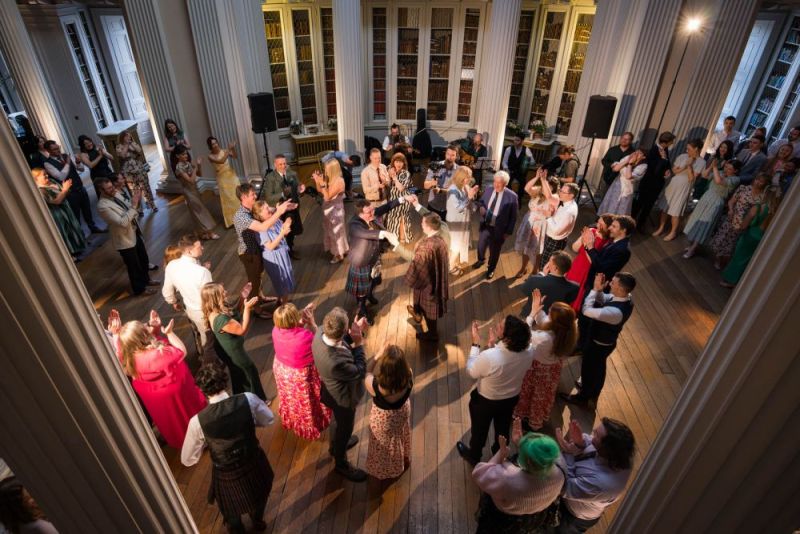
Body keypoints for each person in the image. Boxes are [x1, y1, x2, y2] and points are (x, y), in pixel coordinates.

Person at [180, 362, 275, 534]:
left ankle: (236, 529)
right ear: (225, 382)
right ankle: (257, 520)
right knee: (260, 493)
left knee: (230, 507)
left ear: (202, 390)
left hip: (226, 471)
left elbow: (188, 459)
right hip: (253, 460)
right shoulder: (248, 398)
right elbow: (268, 419)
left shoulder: (197, 421)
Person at [114, 310, 207, 448]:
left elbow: (120, 355)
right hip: (178, 395)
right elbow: (182, 351)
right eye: (144, 327)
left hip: (155, 399)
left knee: (171, 420)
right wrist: (169, 333)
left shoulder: (129, 360)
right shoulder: (160, 353)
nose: (147, 325)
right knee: (185, 415)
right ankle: (201, 440)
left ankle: (179, 442)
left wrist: (116, 334)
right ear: (143, 336)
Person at [457, 316, 534, 466]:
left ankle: (474, 455)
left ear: (508, 338)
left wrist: (475, 344)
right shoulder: (529, 351)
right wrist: (493, 346)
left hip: (486, 401)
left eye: (500, 326)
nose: (497, 325)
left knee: (479, 429)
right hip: (511, 398)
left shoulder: (490, 357)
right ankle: (500, 452)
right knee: (503, 426)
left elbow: (472, 372)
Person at [472, 420, 565, 533]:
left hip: (503, 519)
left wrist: (500, 453)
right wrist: (521, 444)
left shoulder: (508, 478)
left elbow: (479, 473)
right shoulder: (560, 474)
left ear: (525, 461)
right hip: (531, 518)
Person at [312, 307, 369, 482]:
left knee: (337, 422)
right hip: (342, 398)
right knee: (345, 427)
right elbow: (360, 371)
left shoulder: (320, 332)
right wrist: (358, 342)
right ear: (343, 331)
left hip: (329, 392)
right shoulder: (335, 362)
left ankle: (335, 446)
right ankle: (341, 462)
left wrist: (352, 335)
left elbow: (340, 341)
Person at [562, 272, 636, 407]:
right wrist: (599, 291)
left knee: (588, 368)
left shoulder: (616, 313)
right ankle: (592, 389)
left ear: (621, 289)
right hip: (605, 342)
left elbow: (586, 310)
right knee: (598, 368)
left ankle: (583, 397)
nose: (610, 283)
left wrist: (595, 289)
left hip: (598, 344)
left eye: (613, 282)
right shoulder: (626, 298)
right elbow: (603, 299)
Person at [554, 418, 635, 533]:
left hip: (574, 515)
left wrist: (568, 452)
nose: (592, 436)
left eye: (596, 435)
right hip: (577, 497)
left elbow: (564, 486)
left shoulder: (602, 484)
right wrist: (580, 443)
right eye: (595, 431)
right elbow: (590, 443)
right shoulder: (620, 454)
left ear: (608, 449)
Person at [233, 183, 296, 318]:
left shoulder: (251, 208)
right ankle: (256, 309)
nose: (255, 196)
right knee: (254, 281)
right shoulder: (241, 216)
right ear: (243, 197)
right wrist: (278, 212)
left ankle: (260, 297)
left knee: (259, 278)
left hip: (259, 250)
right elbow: (262, 227)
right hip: (249, 253)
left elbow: (265, 210)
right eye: (252, 194)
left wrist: (280, 208)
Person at [516, 296, 578, 431]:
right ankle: (536, 420)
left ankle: (528, 422)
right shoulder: (568, 331)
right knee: (542, 396)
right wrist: (538, 308)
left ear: (554, 321)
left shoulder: (544, 339)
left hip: (537, 370)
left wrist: (532, 313)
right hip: (552, 370)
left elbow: (525, 333)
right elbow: (545, 320)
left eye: (549, 313)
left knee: (531, 394)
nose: (547, 313)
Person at [271, 303, 332, 440]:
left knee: (290, 396)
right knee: (308, 399)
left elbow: (290, 329)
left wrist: (301, 320)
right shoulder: (305, 337)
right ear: (294, 319)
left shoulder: (276, 330)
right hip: (301, 375)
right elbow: (321, 344)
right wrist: (312, 323)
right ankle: (312, 424)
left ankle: (293, 419)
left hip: (282, 369)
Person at [201, 282, 268, 401]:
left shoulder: (216, 309)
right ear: (215, 297)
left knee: (239, 374)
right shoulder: (220, 319)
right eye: (222, 292)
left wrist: (242, 297)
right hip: (234, 352)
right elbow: (241, 330)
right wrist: (247, 308)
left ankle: (242, 398)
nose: (226, 292)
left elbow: (234, 312)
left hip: (227, 349)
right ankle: (258, 400)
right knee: (249, 371)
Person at [96, 176, 160, 296]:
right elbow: (122, 222)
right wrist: (134, 205)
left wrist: (136, 200)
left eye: (112, 186)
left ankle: (147, 280)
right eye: (108, 188)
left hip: (134, 231)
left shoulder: (115, 194)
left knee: (143, 258)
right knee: (133, 266)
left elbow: (129, 207)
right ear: (101, 190)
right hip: (124, 239)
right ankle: (139, 289)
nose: (113, 189)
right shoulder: (102, 206)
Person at [346, 198, 402, 323]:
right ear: (360, 214)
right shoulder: (354, 224)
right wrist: (385, 234)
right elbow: (365, 233)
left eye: (372, 209)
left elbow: (386, 207)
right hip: (362, 262)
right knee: (361, 291)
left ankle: (370, 295)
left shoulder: (371, 213)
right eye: (369, 212)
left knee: (375, 280)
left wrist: (402, 199)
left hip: (374, 258)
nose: (372, 213)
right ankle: (362, 309)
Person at [364, 344, 413, 479]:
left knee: (382, 446)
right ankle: (403, 458)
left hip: (383, 421)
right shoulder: (409, 375)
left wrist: (377, 357)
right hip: (401, 413)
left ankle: (383, 470)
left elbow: (366, 372)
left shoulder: (375, 386)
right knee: (399, 435)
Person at [162, 234, 213, 356]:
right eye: (199, 246)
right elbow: (211, 297)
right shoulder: (202, 272)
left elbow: (167, 292)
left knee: (203, 336)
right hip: (206, 311)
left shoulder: (171, 266)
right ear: (189, 251)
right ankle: (211, 363)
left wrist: (173, 301)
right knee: (211, 340)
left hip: (190, 309)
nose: (202, 248)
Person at [403, 212, 450, 340]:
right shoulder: (441, 238)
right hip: (436, 276)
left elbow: (417, 265)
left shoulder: (426, 247)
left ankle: (432, 335)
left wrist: (396, 246)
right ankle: (418, 315)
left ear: (429, 227)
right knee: (424, 302)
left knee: (428, 304)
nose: (421, 224)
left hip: (427, 282)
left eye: (423, 222)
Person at [721, 186, 780, 288]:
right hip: (762, 238)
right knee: (749, 261)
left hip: (750, 235)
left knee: (739, 258)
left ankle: (730, 280)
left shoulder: (758, 207)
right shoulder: (776, 211)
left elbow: (744, 224)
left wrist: (740, 230)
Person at [683, 159, 742, 259]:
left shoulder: (735, 179)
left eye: (730, 168)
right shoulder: (720, 172)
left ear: (735, 171)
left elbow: (719, 181)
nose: (726, 169)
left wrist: (715, 168)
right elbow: (705, 175)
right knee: (696, 220)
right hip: (706, 197)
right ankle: (691, 245)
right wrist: (711, 166)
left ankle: (693, 248)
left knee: (704, 224)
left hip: (716, 201)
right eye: (726, 166)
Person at [43, 140, 105, 234]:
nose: (58, 150)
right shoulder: (47, 163)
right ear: (48, 151)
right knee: (75, 215)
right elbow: (61, 176)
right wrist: (67, 163)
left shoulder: (65, 156)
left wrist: (78, 162)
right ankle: (80, 236)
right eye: (54, 149)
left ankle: (93, 228)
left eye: (58, 147)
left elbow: (81, 169)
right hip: (69, 193)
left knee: (87, 211)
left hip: (80, 187)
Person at [710, 173, 769, 270]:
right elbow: (731, 201)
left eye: (762, 181)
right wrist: (731, 209)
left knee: (733, 243)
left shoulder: (762, 197)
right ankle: (718, 260)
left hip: (745, 223)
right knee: (723, 238)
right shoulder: (744, 188)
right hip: (733, 217)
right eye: (757, 179)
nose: (758, 182)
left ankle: (726, 262)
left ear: (765, 184)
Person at [653, 138, 705, 241]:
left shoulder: (701, 162)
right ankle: (661, 227)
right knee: (665, 208)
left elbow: (691, 179)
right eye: (687, 148)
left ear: (696, 149)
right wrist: (685, 165)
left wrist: (690, 165)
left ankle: (673, 232)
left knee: (675, 211)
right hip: (674, 183)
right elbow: (675, 171)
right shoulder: (682, 156)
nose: (687, 151)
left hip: (684, 186)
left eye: (689, 149)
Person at [473, 171, 519, 280]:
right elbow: (481, 202)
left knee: (495, 251)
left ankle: (491, 268)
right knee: (481, 245)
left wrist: (508, 232)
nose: (496, 185)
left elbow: (514, 216)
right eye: (495, 182)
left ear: (506, 184)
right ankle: (481, 260)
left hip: (499, 229)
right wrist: (481, 207)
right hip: (485, 224)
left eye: (500, 183)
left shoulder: (512, 196)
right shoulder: (489, 189)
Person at [32, 167, 86, 260]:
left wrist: (66, 189)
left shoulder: (51, 182)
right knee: (64, 232)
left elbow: (65, 192)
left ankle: (77, 249)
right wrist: (64, 190)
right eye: (43, 175)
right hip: (57, 214)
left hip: (66, 209)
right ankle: (70, 256)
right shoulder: (41, 190)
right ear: (36, 178)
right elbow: (56, 201)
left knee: (72, 228)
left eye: (46, 173)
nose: (47, 176)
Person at [513, 169, 559, 278]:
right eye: (543, 184)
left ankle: (535, 269)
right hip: (528, 221)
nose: (544, 187)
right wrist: (537, 177)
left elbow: (548, 196)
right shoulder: (538, 191)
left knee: (537, 249)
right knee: (525, 246)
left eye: (548, 185)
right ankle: (523, 268)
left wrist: (543, 180)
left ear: (553, 187)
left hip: (540, 225)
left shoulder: (555, 198)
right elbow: (526, 188)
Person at [566, 214, 614, 312]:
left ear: (608, 228)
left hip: (588, 272)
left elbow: (594, 262)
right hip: (577, 266)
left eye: (601, 224)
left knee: (578, 297)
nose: (598, 225)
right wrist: (582, 239)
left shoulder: (608, 243)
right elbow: (575, 248)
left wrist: (588, 245)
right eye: (598, 222)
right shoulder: (591, 231)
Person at [259, 154, 304, 258]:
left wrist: (301, 190)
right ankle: (285, 251)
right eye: (280, 164)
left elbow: (298, 190)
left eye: (284, 163)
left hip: (293, 207)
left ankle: (290, 249)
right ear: (275, 165)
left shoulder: (292, 173)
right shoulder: (270, 178)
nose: (283, 166)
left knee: (292, 230)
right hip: (280, 210)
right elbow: (268, 197)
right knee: (283, 230)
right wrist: (283, 194)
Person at [173, 145, 219, 240]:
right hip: (188, 192)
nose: (186, 155)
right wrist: (194, 169)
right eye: (183, 154)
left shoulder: (187, 163)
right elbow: (191, 180)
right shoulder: (179, 168)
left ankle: (202, 233)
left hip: (195, 190)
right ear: (177, 156)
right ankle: (210, 232)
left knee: (198, 212)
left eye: (186, 153)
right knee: (200, 212)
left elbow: (199, 175)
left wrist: (198, 165)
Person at [253, 200, 294, 305]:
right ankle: (284, 306)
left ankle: (281, 300)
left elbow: (283, 229)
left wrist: (287, 223)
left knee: (285, 278)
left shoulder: (274, 220)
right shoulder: (261, 229)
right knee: (281, 281)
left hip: (282, 254)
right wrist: (282, 233)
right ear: (260, 215)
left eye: (268, 206)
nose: (269, 209)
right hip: (274, 258)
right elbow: (270, 246)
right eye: (266, 209)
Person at [632, 131, 675, 231]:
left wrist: (667, 169)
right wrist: (664, 159)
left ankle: (640, 226)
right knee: (638, 205)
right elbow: (655, 169)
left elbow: (666, 165)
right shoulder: (653, 150)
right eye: (671, 141)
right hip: (648, 183)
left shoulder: (665, 149)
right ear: (666, 142)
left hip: (657, 184)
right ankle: (630, 224)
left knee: (648, 207)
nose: (672, 143)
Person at [519, 251, 579, 317]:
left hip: (531, 315)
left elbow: (523, 289)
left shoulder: (534, 280)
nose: (548, 263)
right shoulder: (574, 288)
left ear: (555, 268)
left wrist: (542, 274)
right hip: (552, 320)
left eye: (550, 261)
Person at [312, 159, 349, 264]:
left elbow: (327, 197)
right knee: (330, 231)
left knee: (336, 232)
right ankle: (342, 250)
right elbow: (320, 191)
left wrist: (322, 184)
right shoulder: (328, 178)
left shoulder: (339, 181)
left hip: (335, 210)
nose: (325, 171)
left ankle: (338, 254)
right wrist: (317, 181)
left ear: (333, 169)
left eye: (327, 169)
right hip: (328, 209)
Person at [445, 167, 479, 276]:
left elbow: (469, 202)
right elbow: (458, 208)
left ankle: (453, 262)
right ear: (461, 177)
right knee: (456, 245)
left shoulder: (463, 186)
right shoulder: (453, 190)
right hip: (455, 222)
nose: (469, 179)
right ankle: (450, 267)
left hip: (462, 221)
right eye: (467, 177)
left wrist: (472, 195)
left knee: (458, 244)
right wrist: (469, 197)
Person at [597, 148, 647, 216]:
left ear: (643, 157)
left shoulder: (643, 166)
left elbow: (628, 176)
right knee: (609, 206)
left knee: (620, 210)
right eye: (636, 152)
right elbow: (616, 169)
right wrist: (627, 160)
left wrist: (630, 164)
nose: (637, 154)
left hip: (627, 190)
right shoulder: (628, 157)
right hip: (616, 185)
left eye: (640, 153)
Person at [207, 137, 242, 229]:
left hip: (231, 176)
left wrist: (232, 148)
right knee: (228, 199)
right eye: (212, 144)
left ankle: (242, 217)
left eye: (216, 143)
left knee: (237, 196)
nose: (215, 145)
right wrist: (229, 149)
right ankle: (232, 220)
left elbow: (235, 156)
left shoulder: (224, 151)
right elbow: (221, 161)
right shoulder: (210, 156)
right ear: (210, 147)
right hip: (222, 179)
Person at [116, 130, 156, 212]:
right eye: (126, 136)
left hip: (139, 168)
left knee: (146, 186)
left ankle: (152, 205)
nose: (128, 137)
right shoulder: (119, 146)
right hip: (128, 171)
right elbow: (123, 155)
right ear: (122, 137)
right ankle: (139, 209)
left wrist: (132, 144)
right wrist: (126, 145)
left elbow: (139, 151)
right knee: (134, 189)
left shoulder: (133, 143)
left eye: (129, 135)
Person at [540, 182, 579, 265]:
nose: (559, 193)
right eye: (560, 190)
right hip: (554, 239)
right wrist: (553, 213)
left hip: (555, 241)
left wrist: (548, 217)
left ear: (571, 195)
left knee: (546, 264)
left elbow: (556, 231)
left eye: (563, 192)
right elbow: (559, 221)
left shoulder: (569, 212)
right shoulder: (568, 203)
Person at [384, 152, 414, 243]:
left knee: (401, 220)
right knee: (393, 220)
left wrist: (394, 177)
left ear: (404, 163)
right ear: (393, 162)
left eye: (401, 162)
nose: (399, 164)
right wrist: (387, 179)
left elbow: (401, 188)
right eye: (397, 161)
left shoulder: (406, 173)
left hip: (403, 200)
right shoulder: (391, 170)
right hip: (393, 199)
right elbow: (389, 185)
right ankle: (394, 240)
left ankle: (402, 240)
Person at [423, 144, 460, 219]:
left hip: (449, 208)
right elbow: (425, 185)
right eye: (448, 154)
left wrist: (440, 190)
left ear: (456, 157)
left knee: (445, 230)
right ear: (445, 154)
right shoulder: (435, 165)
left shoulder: (459, 170)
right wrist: (432, 183)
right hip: (433, 205)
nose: (449, 157)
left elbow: (457, 190)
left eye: (453, 155)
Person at [599, 131, 634, 196]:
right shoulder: (612, 149)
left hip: (622, 182)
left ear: (631, 141)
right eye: (623, 138)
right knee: (604, 199)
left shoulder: (632, 153)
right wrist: (611, 165)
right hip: (609, 179)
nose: (624, 140)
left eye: (627, 139)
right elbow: (604, 161)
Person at [501, 132, 535, 201]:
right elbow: (504, 162)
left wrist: (527, 162)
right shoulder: (509, 149)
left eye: (518, 140)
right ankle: (509, 198)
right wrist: (506, 169)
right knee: (507, 183)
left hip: (520, 173)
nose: (515, 142)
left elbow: (533, 162)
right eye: (515, 140)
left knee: (522, 183)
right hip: (510, 171)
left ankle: (518, 200)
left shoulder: (526, 150)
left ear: (522, 141)